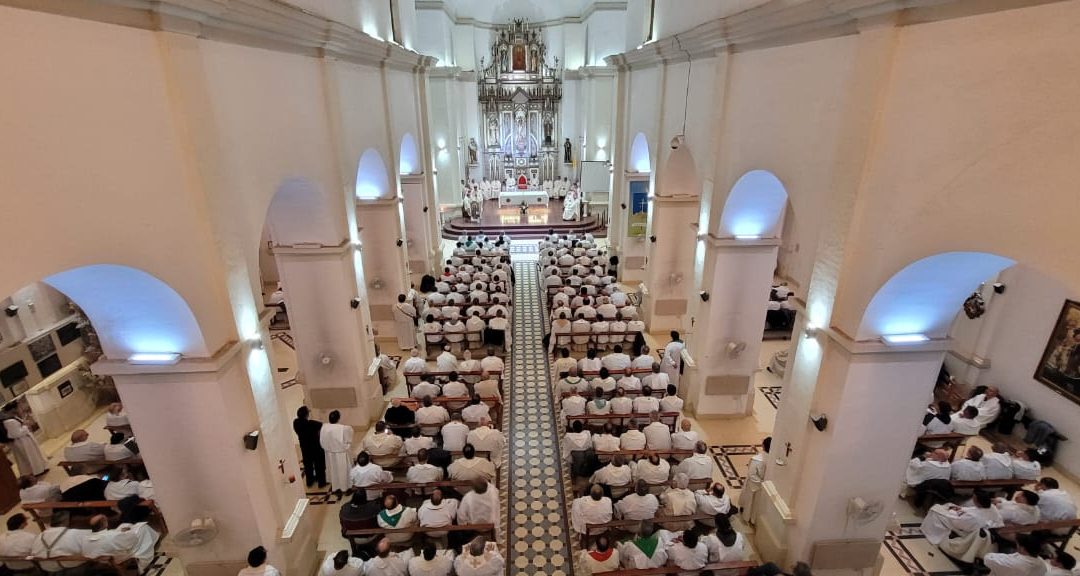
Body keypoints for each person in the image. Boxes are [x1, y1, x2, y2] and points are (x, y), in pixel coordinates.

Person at [920, 489, 1003, 545]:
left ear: (978, 502)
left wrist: (952, 511)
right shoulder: (992, 507)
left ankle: (931, 532)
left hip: (966, 530)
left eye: (974, 499)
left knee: (935, 509)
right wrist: (960, 509)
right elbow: (973, 509)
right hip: (974, 524)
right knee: (949, 504)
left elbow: (957, 523)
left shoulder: (973, 516)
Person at [1, 406, 47, 476]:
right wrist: (26, 426)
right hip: (22, 442)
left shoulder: (12, 418)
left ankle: (39, 469)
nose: (20, 409)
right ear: (13, 409)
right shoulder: (9, 421)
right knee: (29, 457)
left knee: (31, 456)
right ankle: (37, 471)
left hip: (23, 440)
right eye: (18, 407)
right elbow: (15, 433)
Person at [739, 436, 771, 525]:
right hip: (765, 484)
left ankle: (747, 516)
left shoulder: (757, 460)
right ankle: (753, 519)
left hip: (754, 485)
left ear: (763, 446)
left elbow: (751, 474)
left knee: (750, 501)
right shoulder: (772, 459)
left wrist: (760, 483)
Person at [320, 410, 353, 493]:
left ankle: (336, 486)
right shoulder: (344, 428)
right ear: (339, 418)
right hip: (341, 454)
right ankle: (346, 487)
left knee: (334, 470)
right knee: (343, 470)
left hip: (330, 453)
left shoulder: (324, 427)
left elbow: (322, 441)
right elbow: (349, 440)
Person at [293, 406, 326, 488]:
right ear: (306, 415)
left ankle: (309, 481)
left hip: (304, 448)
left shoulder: (296, 422)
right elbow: (322, 425)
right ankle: (321, 482)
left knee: (308, 465)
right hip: (315, 447)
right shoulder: (311, 423)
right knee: (319, 465)